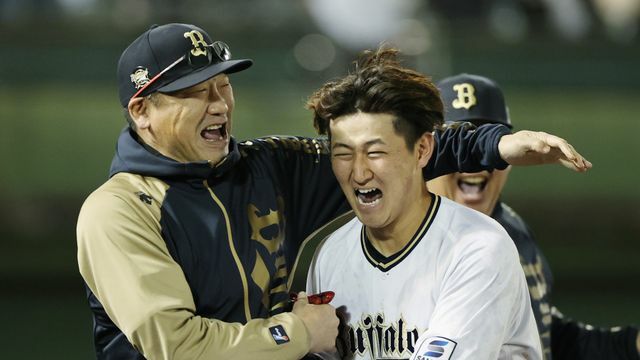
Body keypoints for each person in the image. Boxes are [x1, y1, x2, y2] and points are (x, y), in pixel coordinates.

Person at [76, 23, 589, 360]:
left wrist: (496, 143)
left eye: (223, 85)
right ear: (141, 111)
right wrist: (298, 334)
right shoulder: (117, 213)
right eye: (193, 93)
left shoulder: (266, 168)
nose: (218, 105)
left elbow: (388, 148)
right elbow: (177, 345)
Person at [304, 47, 544, 360]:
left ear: (422, 150)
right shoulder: (330, 255)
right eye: (344, 154)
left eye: (375, 152)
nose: (359, 172)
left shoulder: (479, 246)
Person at [427, 73, 640, 360]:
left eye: (484, 147)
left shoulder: (513, 230)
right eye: (461, 149)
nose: (473, 164)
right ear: (427, 152)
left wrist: (631, 343)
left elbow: (546, 336)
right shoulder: (406, 242)